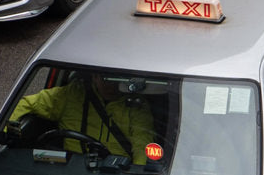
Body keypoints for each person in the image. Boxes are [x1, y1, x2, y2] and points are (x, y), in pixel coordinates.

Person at [10, 71, 155, 165]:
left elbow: (142, 145)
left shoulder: (137, 106)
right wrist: (5, 132)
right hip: (69, 171)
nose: (112, 86)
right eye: (105, 79)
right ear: (94, 76)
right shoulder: (71, 95)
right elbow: (24, 103)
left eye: (116, 80)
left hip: (114, 173)